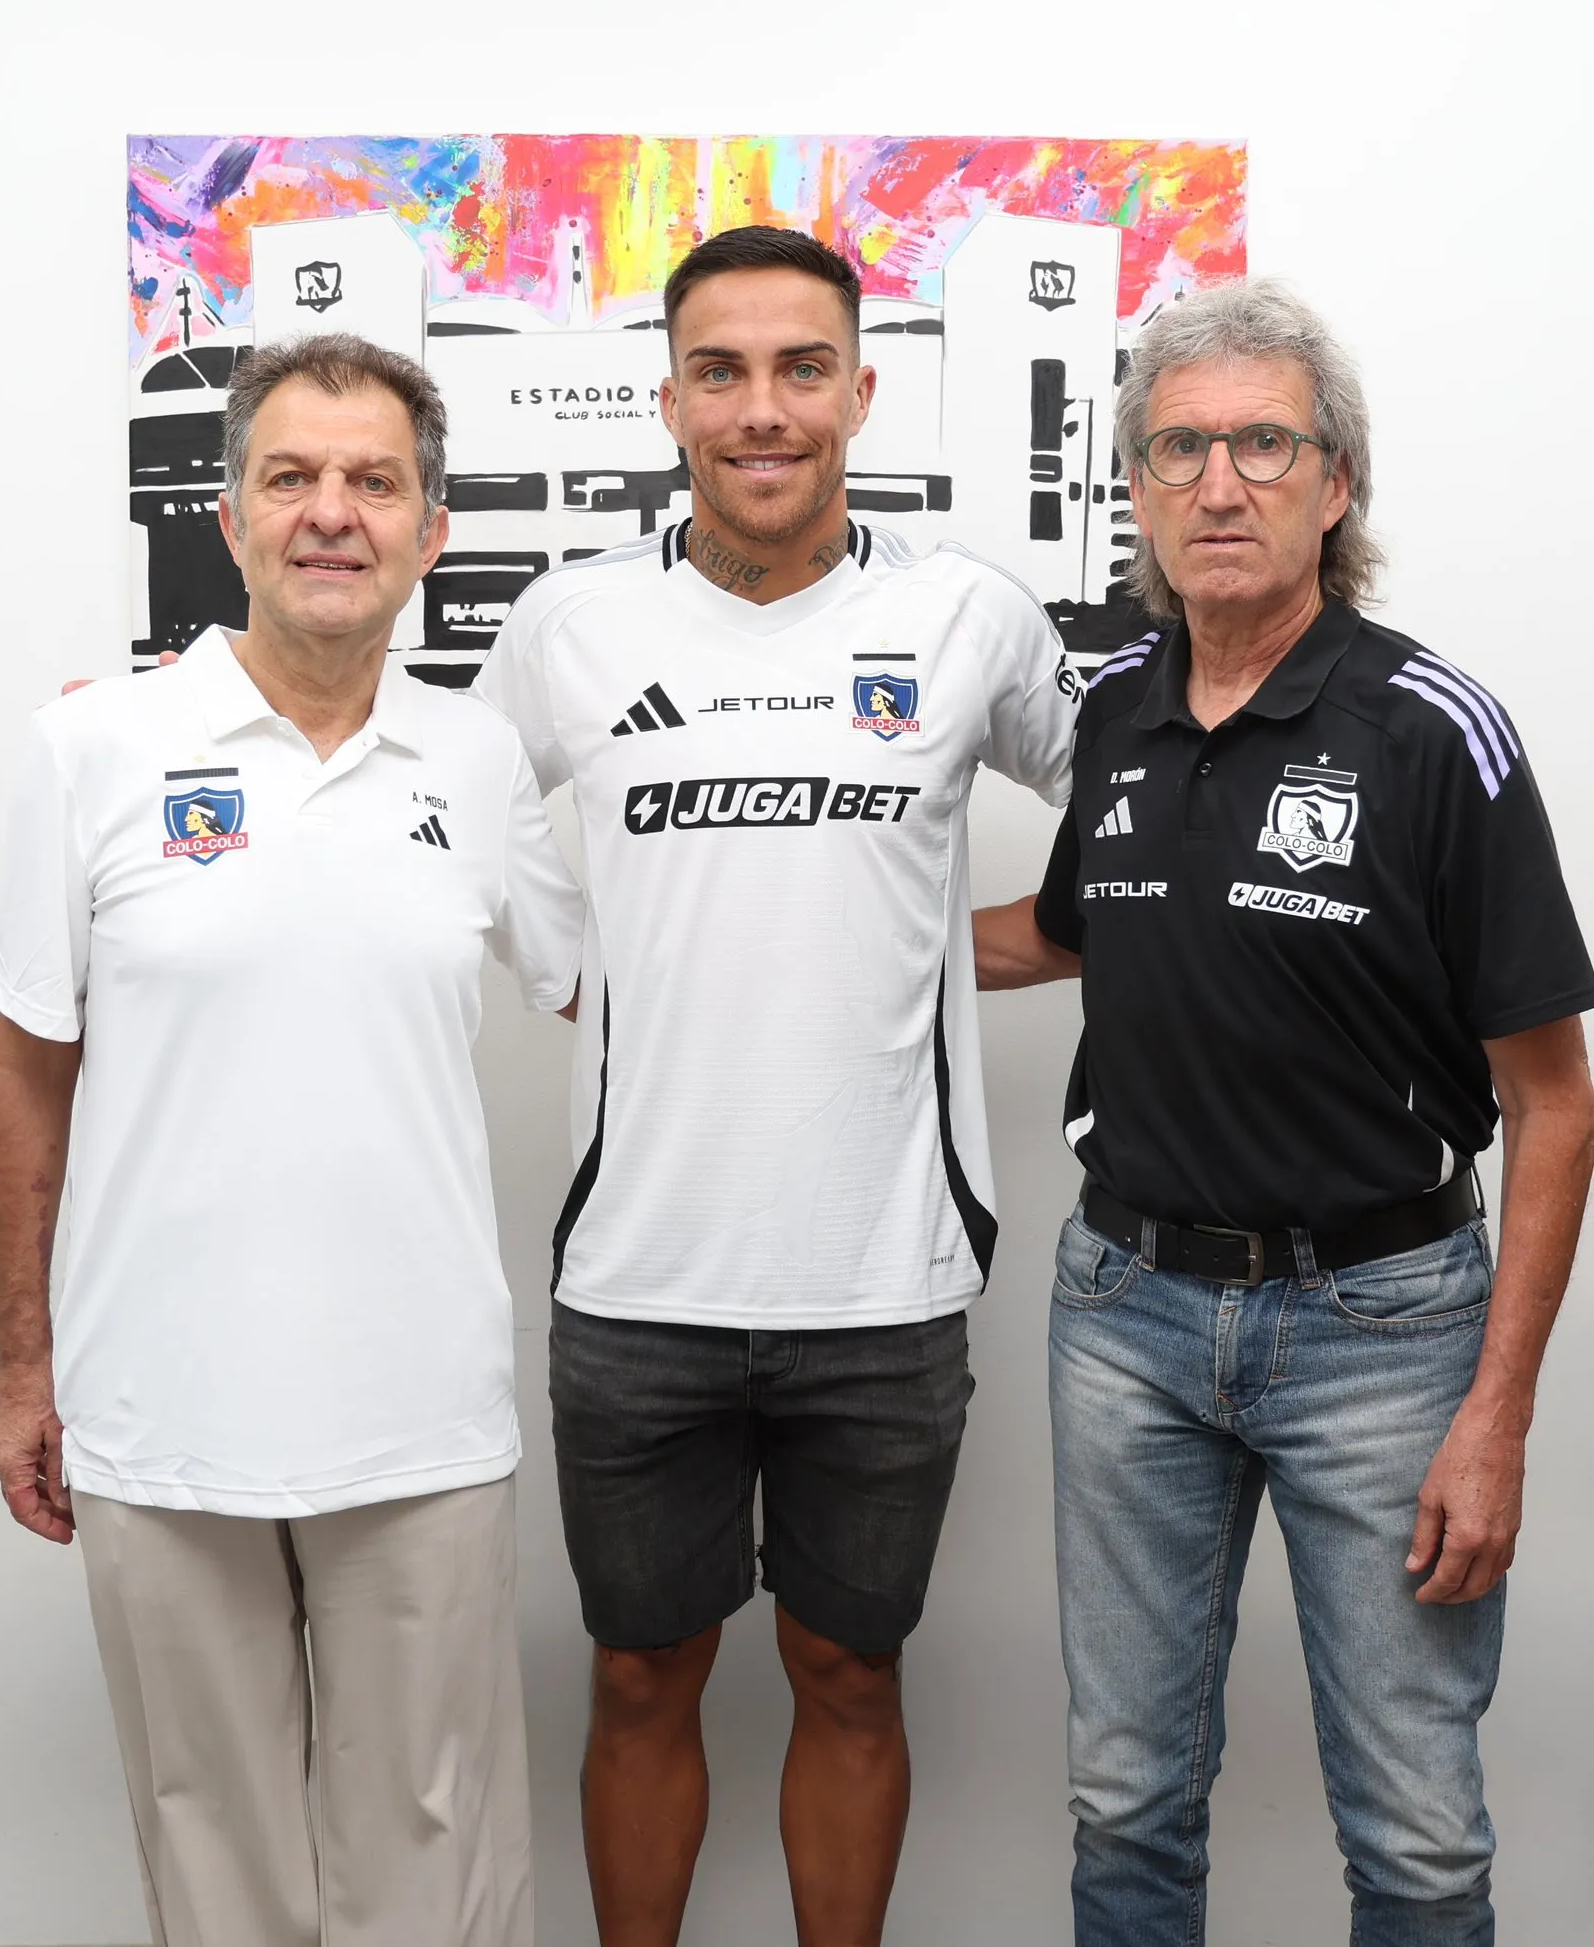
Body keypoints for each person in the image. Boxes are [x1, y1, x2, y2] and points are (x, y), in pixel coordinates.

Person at [471, 225, 1083, 1946]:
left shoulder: (963, 616)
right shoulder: (569, 622)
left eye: (800, 369)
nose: (763, 410)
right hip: (637, 1278)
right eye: (722, 372)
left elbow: (1154, 810)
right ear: (664, 399)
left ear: (860, 393)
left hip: (882, 1282)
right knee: (641, 1673)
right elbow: (436, 800)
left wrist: (920, 945)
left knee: (848, 1671)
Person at [975, 279, 1594, 1945]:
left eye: (1262, 443)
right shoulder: (1111, 709)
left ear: (1335, 483)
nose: (1218, 483)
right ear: (1137, 492)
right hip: (1123, 1318)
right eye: (1177, 449)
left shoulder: (1428, 732)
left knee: (1412, 1832)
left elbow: (1554, 1102)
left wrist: (1496, 1417)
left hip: (1381, 1333)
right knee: (1123, 1794)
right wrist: (802, 934)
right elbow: (1064, 930)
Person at [0, 333, 584, 1947]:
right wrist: (24, 1371)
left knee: (434, 1866)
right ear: (228, 516)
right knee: (216, 1861)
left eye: (373, 481)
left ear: (430, 532)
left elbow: (616, 981)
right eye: (290, 478)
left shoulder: (480, 759)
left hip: (420, 1422)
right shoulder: (92, 750)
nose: (332, 513)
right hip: (162, 1417)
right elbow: (24, 1074)